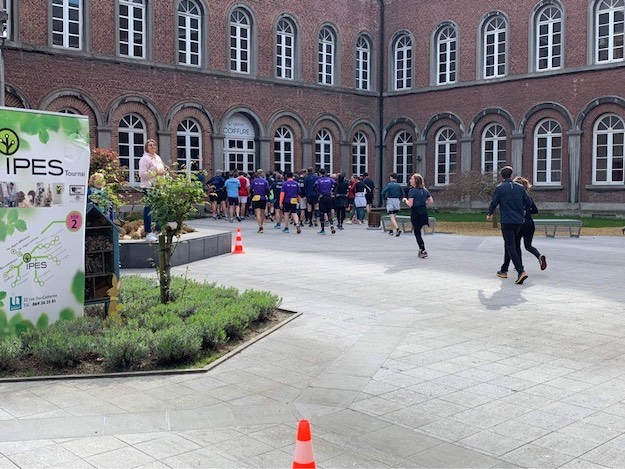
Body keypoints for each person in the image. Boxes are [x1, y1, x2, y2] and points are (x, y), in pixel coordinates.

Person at [486, 166, 532, 285]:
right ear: (511, 175)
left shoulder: (500, 188)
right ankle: (504, 270)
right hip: (518, 221)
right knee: (509, 243)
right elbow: (529, 202)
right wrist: (524, 212)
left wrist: (489, 213)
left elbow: (494, 202)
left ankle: (521, 271)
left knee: (510, 245)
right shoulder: (520, 187)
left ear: (501, 176)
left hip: (507, 221)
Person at [499, 176, 547, 275]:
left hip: (519, 223)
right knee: (528, 245)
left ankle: (520, 267)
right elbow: (535, 210)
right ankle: (539, 256)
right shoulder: (528, 197)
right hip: (530, 224)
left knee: (516, 245)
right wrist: (527, 211)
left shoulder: (515, 198)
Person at [138, 139, 166, 243]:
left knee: (161, 209)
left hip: (158, 186)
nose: (152, 147)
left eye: (154, 145)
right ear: (146, 147)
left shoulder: (158, 158)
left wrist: (163, 174)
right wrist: (154, 172)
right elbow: (142, 174)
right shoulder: (144, 159)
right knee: (149, 210)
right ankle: (148, 232)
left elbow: (161, 170)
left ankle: (157, 231)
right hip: (148, 187)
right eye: (150, 145)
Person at [402, 173, 433, 258]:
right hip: (424, 212)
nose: (410, 180)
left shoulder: (412, 191)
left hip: (416, 213)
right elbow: (430, 201)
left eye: (411, 179)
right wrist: (423, 203)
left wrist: (405, 200)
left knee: (417, 232)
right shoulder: (425, 190)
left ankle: (423, 249)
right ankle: (421, 249)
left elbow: (410, 204)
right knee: (419, 230)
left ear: (415, 181)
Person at [313, 168, 336, 234]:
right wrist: (333, 192)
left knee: (322, 213)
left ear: (319, 173)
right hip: (329, 196)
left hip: (322, 197)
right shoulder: (330, 179)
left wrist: (318, 193)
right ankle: (331, 225)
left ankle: (323, 229)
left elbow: (314, 187)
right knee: (329, 212)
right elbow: (336, 184)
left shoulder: (319, 180)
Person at [381, 172, 404, 237]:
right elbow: (403, 194)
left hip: (391, 200)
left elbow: (383, 192)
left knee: (391, 216)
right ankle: (391, 230)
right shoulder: (399, 185)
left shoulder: (389, 185)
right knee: (394, 217)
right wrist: (399, 198)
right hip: (397, 201)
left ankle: (397, 229)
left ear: (391, 178)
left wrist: (385, 198)